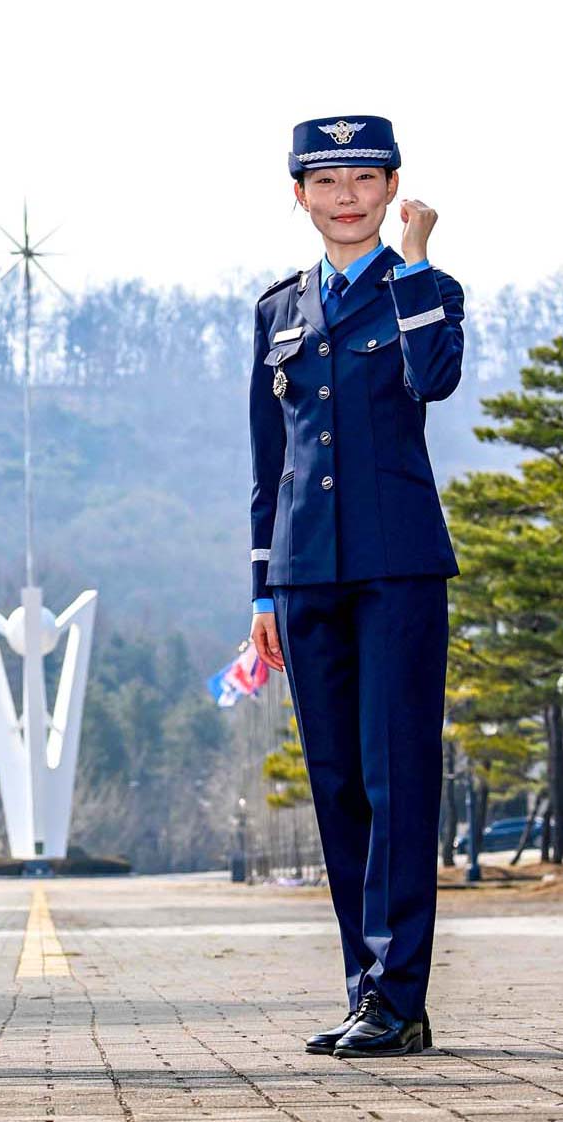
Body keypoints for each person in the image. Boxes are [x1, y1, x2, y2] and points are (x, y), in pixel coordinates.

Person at [248, 116, 463, 1058]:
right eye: (326, 180)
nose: (346, 195)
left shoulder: (424, 289)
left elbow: (437, 378)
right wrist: (262, 591)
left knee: (396, 776)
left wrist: (413, 261)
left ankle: (400, 998)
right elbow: (268, 460)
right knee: (336, 783)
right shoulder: (277, 308)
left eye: (364, 179)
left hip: (397, 567)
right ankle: (365, 990)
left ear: (390, 189)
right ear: (298, 193)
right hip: (304, 575)